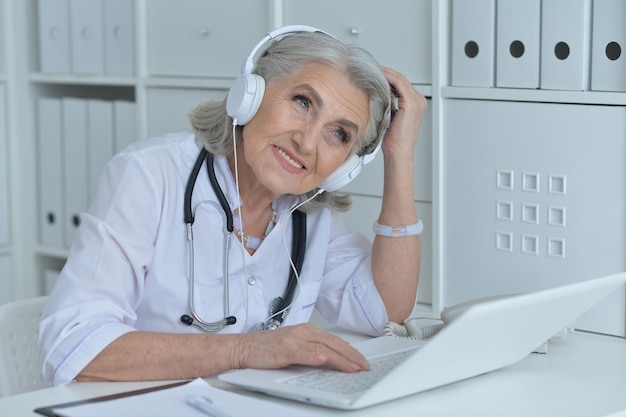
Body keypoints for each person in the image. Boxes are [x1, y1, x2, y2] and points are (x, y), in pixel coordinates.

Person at [38, 27, 427, 385]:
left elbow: (385, 312)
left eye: (339, 134)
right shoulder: (148, 175)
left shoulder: (311, 214)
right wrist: (244, 351)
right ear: (250, 95)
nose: (307, 143)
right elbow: (72, 347)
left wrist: (400, 157)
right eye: (302, 102)